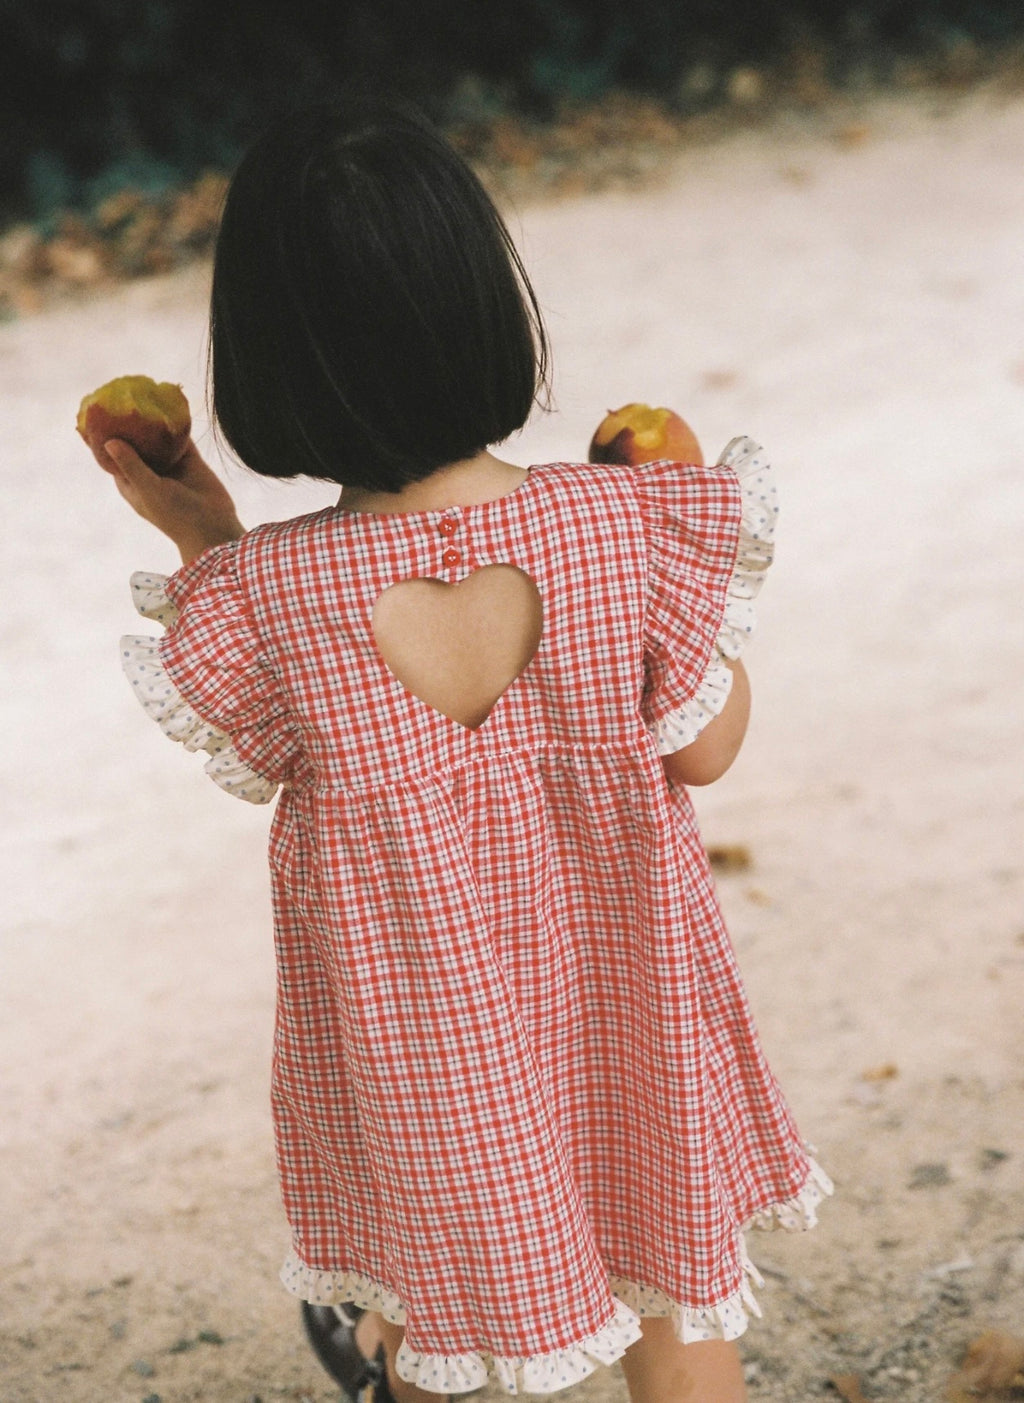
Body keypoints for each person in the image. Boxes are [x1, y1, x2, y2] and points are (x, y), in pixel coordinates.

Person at [92, 93, 831, 1403]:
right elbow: (706, 751)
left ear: (262, 360)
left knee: (444, 1338)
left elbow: (255, 703)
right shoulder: (616, 527)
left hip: (424, 1055)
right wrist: (674, 541)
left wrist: (205, 531)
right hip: (633, 1016)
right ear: (490, 309)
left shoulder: (269, 594)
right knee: (680, 1319)